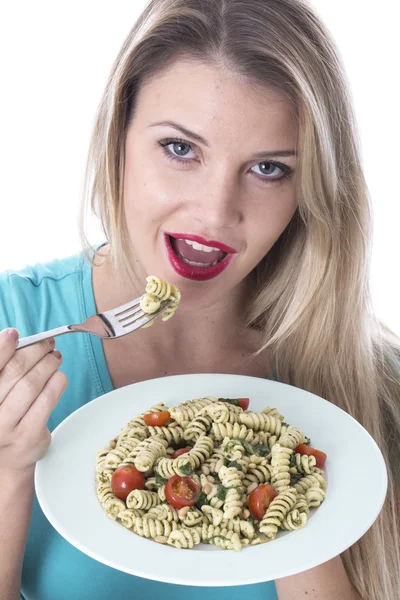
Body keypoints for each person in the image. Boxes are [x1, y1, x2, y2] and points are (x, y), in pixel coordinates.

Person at [0, 0, 399, 598]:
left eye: (268, 168)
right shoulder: (14, 325)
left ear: (309, 190)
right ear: (120, 140)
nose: (215, 213)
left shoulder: (375, 390)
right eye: (181, 149)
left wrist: (281, 473)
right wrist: (7, 473)